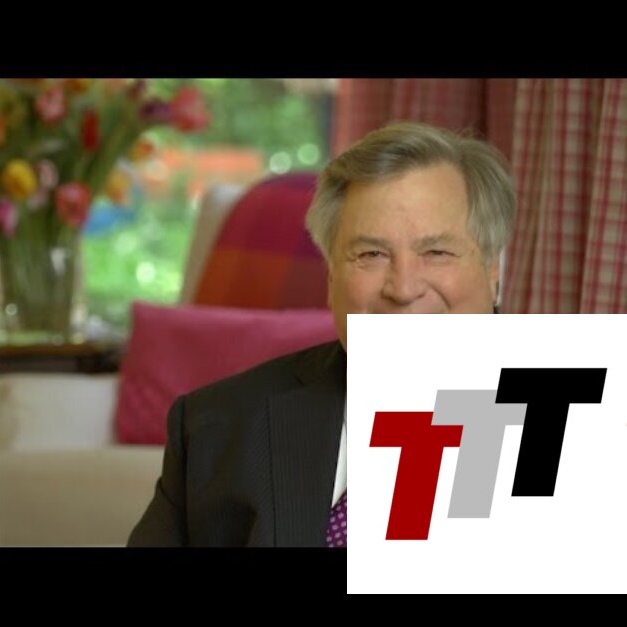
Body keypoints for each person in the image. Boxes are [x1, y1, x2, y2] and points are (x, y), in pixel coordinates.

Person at [127, 121, 517, 547]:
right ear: (332, 277)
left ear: (491, 269)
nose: (404, 288)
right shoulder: (214, 426)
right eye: (371, 254)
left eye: (437, 252)